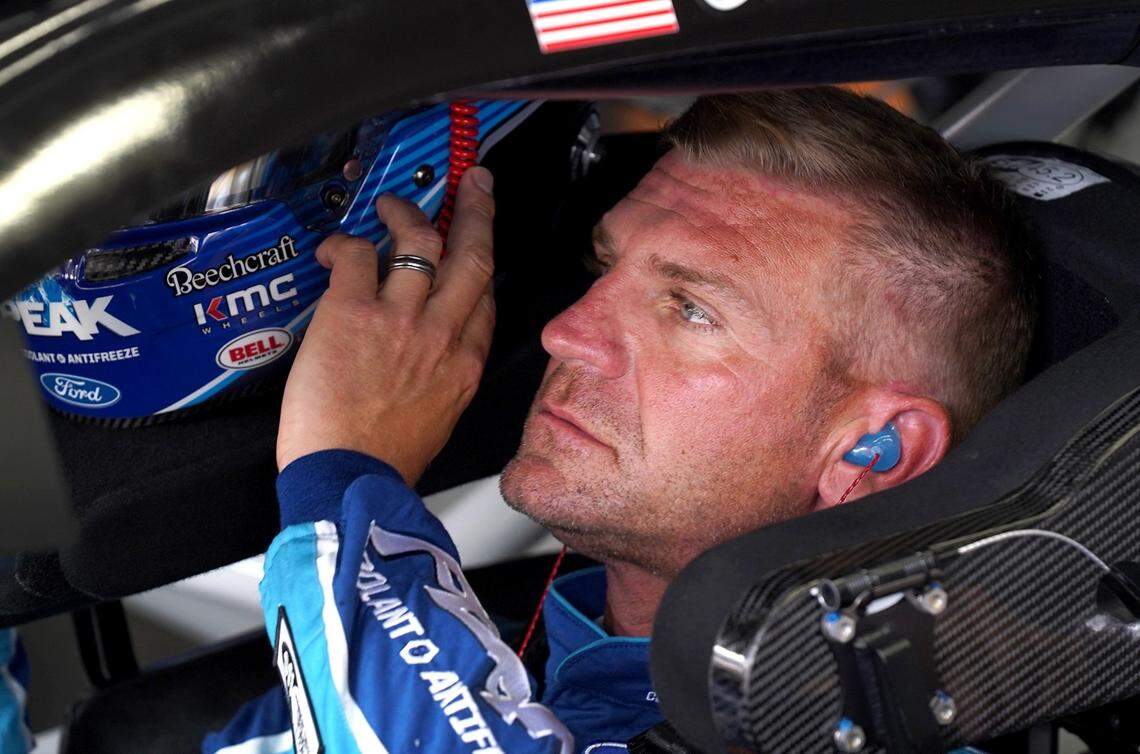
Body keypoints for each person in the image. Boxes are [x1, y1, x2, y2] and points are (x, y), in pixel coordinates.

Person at [204, 87, 1036, 753]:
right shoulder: (525, 646)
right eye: (606, 267)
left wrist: (341, 475)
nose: (568, 334)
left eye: (690, 309)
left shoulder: (870, 727)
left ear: (871, 452)